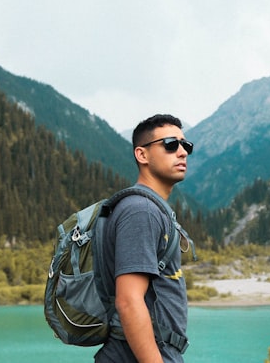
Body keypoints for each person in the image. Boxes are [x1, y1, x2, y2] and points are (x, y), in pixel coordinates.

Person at [94, 114, 193, 363]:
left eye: (185, 145)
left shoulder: (147, 208)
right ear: (142, 155)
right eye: (170, 144)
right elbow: (128, 300)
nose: (182, 152)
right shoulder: (142, 211)